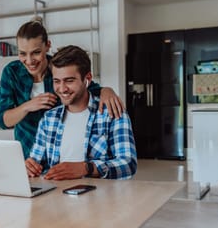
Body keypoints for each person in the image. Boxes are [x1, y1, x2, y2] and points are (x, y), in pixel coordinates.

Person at [0, 18, 125, 159]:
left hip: (60, 155)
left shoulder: (59, 67)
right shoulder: (11, 72)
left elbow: (87, 86)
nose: (29, 60)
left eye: (36, 52)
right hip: (29, 155)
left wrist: (107, 91)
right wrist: (28, 106)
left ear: (47, 46)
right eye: (22, 53)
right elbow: (4, 121)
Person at [25, 45, 137, 180]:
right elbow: (35, 161)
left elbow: (128, 164)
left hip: (100, 197)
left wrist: (86, 168)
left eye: (69, 81)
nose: (62, 89)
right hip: (56, 196)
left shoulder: (112, 113)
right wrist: (29, 166)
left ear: (87, 78)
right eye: (56, 81)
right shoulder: (49, 119)